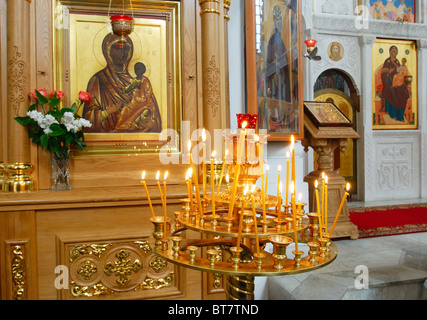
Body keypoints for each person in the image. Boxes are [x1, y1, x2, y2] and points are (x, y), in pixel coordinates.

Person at [83, 34, 161, 133]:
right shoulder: (98, 80)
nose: (122, 53)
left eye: (126, 48)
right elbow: (87, 121)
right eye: (117, 48)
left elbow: (155, 121)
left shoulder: (139, 82)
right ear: (108, 52)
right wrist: (107, 112)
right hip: (105, 142)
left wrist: (148, 122)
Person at [114, 62, 161, 132]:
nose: (136, 71)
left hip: (144, 104)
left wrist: (138, 100)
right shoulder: (134, 81)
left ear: (143, 70)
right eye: (135, 69)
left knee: (143, 113)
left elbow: (147, 96)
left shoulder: (145, 81)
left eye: (138, 69)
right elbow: (127, 90)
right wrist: (121, 88)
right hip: (134, 103)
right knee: (125, 110)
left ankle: (131, 126)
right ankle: (119, 127)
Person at [381, 46, 410, 121]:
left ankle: (400, 114)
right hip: (389, 82)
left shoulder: (397, 61)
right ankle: (393, 114)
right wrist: (389, 72)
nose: (394, 54)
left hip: (397, 82)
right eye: (393, 52)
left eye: (395, 52)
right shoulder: (387, 61)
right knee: (392, 92)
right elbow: (383, 74)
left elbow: (400, 72)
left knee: (404, 92)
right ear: (390, 52)